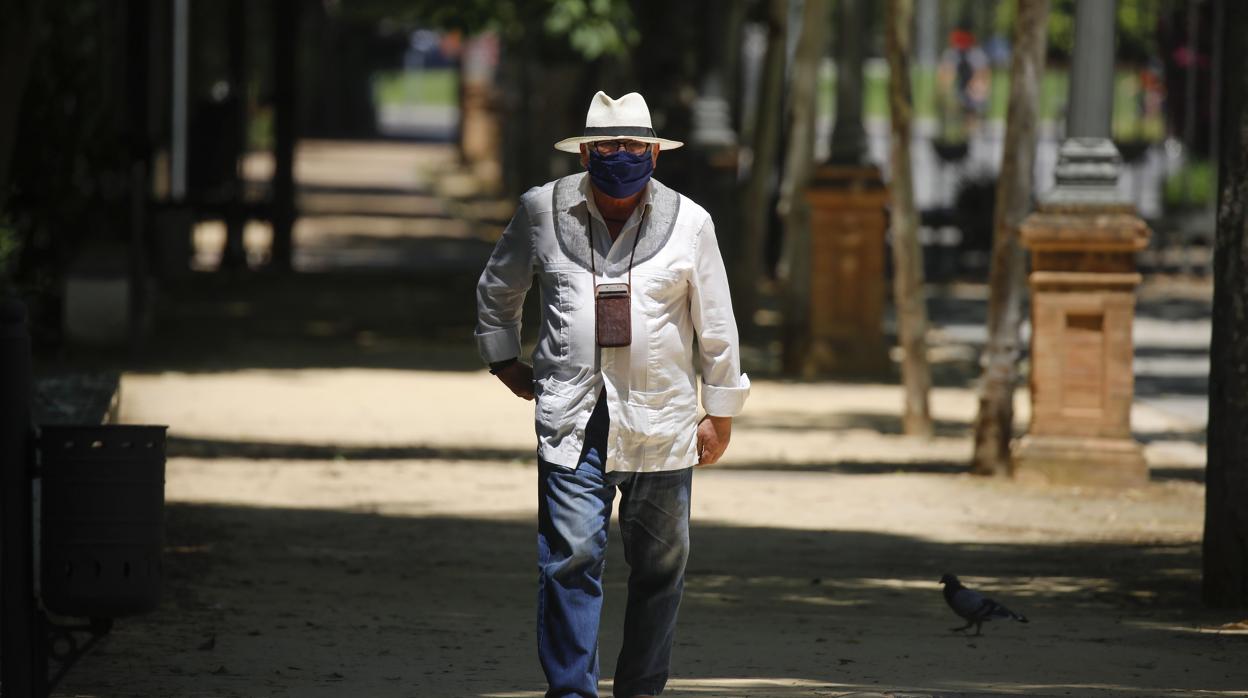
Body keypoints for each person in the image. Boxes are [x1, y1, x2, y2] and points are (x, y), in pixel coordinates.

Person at [475, 91, 750, 698]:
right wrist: (503, 360)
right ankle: (572, 691)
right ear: (585, 152)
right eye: (607, 146)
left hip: (664, 423)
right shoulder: (541, 211)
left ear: (654, 153)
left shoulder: (692, 222)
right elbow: (499, 288)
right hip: (572, 418)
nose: (620, 156)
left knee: (661, 569)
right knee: (569, 559)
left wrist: (721, 413)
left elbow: (717, 323)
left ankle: (641, 690)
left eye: (632, 146)